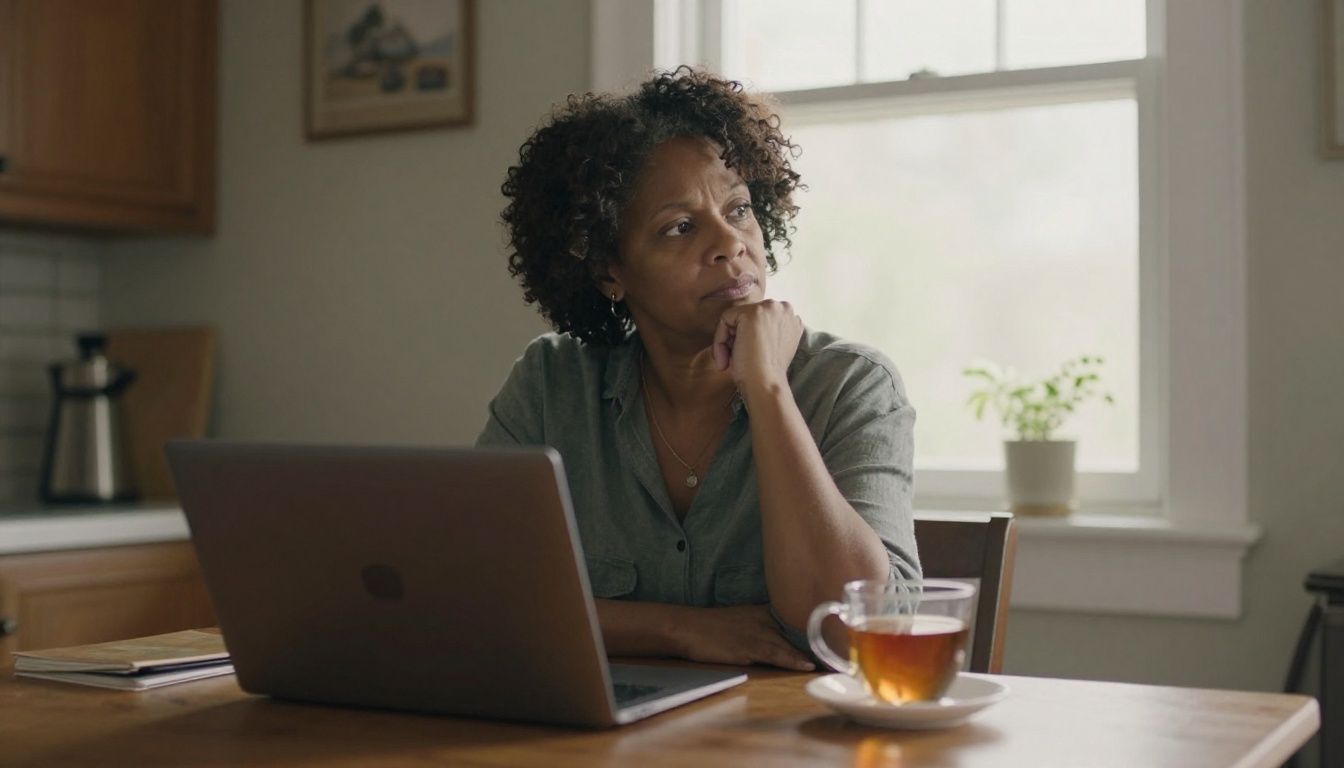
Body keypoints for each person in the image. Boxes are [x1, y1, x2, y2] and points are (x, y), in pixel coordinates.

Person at [478, 67, 919, 672]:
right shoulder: (550, 386)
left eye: (738, 209)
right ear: (610, 271)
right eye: (679, 227)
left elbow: (861, 635)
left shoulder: (850, 384)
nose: (730, 243)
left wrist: (767, 390)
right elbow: (481, 599)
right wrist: (679, 630)